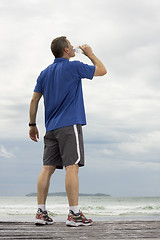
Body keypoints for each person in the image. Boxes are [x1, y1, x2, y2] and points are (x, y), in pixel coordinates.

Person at [29, 36, 107, 227]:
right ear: (65, 50)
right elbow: (102, 71)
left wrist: (32, 124)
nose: (73, 48)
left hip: (51, 127)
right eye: (71, 46)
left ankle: (41, 212)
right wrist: (90, 54)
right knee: (72, 166)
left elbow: (34, 100)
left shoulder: (44, 73)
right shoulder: (74, 67)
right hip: (70, 124)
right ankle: (74, 214)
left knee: (47, 168)